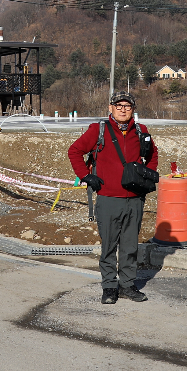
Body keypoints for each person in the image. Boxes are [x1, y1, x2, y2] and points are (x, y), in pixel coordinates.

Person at [67, 92, 158, 304]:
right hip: (108, 198)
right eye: (119, 105)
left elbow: (153, 155)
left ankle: (127, 285)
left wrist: (147, 175)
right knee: (108, 245)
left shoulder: (141, 131)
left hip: (135, 198)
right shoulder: (98, 130)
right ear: (111, 108)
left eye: (128, 106)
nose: (123, 109)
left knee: (130, 246)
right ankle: (109, 287)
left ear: (133, 109)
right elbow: (74, 151)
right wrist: (86, 175)